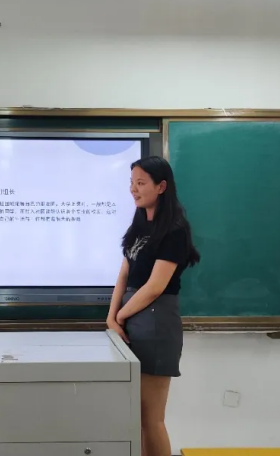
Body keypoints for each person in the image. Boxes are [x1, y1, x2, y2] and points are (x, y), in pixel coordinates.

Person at [107, 155, 200, 456]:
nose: (133, 189)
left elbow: (155, 286)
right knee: (137, 418)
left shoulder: (174, 230)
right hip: (132, 319)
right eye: (131, 183)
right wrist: (111, 318)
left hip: (156, 323)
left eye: (140, 183)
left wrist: (121, 315)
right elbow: (124, 274)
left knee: (152, 418)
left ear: (161, 187)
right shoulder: (139, 226)